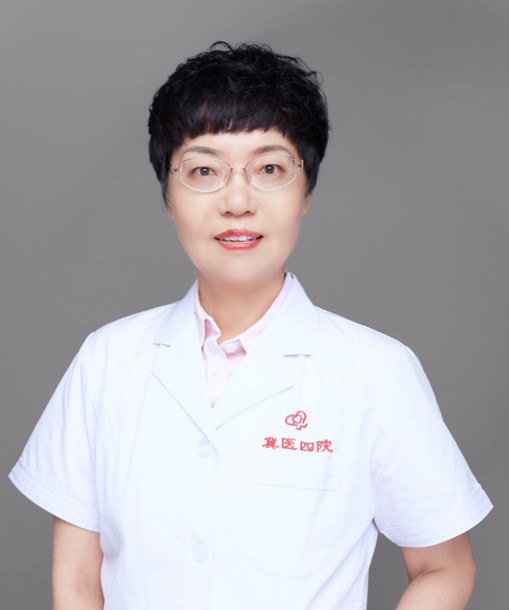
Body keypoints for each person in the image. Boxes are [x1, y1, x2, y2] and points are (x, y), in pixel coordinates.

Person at [9, 42, 492, 610]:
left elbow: (445, 568)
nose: (237, 200)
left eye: (269, 169)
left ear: (306, 191)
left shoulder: (378, 372)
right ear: (167, 195)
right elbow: (76, 580)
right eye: (204, 170)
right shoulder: (107, 360)